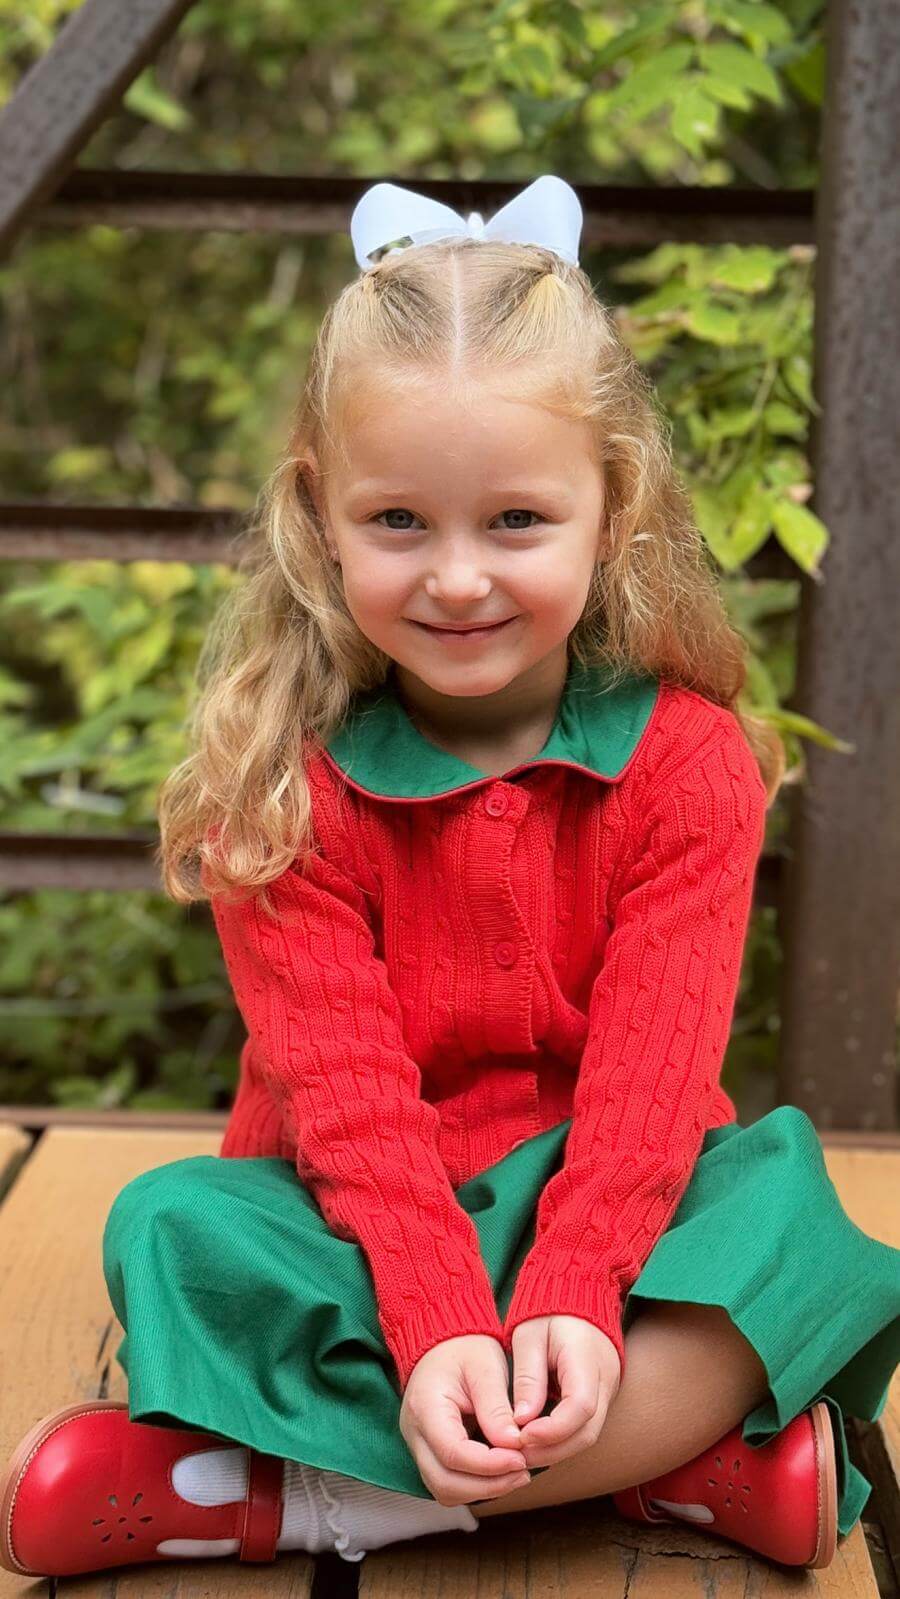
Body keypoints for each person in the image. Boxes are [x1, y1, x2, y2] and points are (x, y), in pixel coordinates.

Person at [2, 175, 898, 1581]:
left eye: (520, 523)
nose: (460, 579)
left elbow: (653, 1087)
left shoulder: (688, 764)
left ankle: (291, 1500)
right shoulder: (281, 782)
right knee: (171, 1231)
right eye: (400, 522)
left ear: (617, 506)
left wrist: (577, 1288)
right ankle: (671, 1463)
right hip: (361, 1229)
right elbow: (345, 1100)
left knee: (778, 1209)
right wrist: (436, 1326)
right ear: (321, 514)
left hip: (606, 1210)